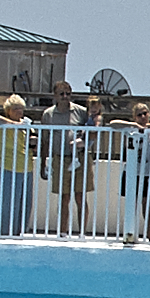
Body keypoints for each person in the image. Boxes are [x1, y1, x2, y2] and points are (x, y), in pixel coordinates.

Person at [41, 81, 92, 234]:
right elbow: (45, 140)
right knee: (64, 198)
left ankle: (82, 232)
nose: (65, 97)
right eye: (61, 94)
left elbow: (92, 132)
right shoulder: (48, 115)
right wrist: (43, 163)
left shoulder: (81, 112)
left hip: (80, 159)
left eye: (68, 93)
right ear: (55, 96)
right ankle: (63, 232)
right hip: (60, 159)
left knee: (80, 197)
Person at [110, 103, 150, 242]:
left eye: (145, 113)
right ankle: (131, 236)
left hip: (148, 175)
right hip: (131, 174)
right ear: (134, 117)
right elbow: (113, 123)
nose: (143, 117)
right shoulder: (130, 129)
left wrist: (146, 127)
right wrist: (135, 125)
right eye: (139, 115)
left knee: (147, 210)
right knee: (132, 209)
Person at [0, 94, 37, 235]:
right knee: (7, 204)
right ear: (8, 110)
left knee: (24, 205)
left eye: (21, 109)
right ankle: (5, 233)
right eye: (16, 108)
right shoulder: (5, 123)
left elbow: (31, 141)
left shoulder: (26, 124)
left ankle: (20, 233)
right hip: (7, 167)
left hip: (26, 168)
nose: (19, 112)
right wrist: (16, 125)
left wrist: (34, 142)